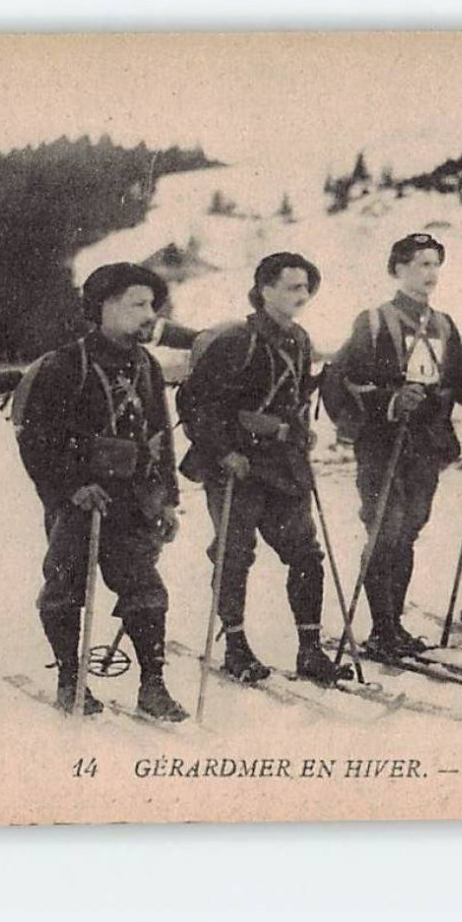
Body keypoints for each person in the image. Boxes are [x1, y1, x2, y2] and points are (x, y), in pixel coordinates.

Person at [12, 262, 188, 720]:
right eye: (138, 304)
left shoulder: (146, 365)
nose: (150, 314)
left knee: (145, 590)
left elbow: (161, 437)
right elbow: (36, 438)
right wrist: (71, 488)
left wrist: (169, 499)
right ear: (104, 306)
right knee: (66, 588)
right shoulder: (65, 365)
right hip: (81, 501)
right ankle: (70, 680)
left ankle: (153, 685)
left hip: (133, 500)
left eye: (152, 305)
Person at [176, 252, 342, 686]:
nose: (301, 296)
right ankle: (235, 645)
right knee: (235, 554)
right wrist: (224, 451)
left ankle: (310, 649)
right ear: (264, 290)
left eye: (306, 288)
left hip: (283, 464)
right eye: (291, 287)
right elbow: (195, 404)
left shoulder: (302, 340)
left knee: (305, 553)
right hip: (236, 465)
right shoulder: (237, 340)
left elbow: (294, 399)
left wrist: (301, 431)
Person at [335, 232, 462, 659]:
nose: (430, 274)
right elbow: (343, 381)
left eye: (435, 264)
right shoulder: (374, 321)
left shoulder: (443, 325)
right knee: (385, 530)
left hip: (427, 444)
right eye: (421, 264)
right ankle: (382, 629)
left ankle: (394, 624)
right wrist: (388, 401)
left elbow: (460, 380)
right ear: (398, 269)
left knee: (408, 532)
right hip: (383, 445)